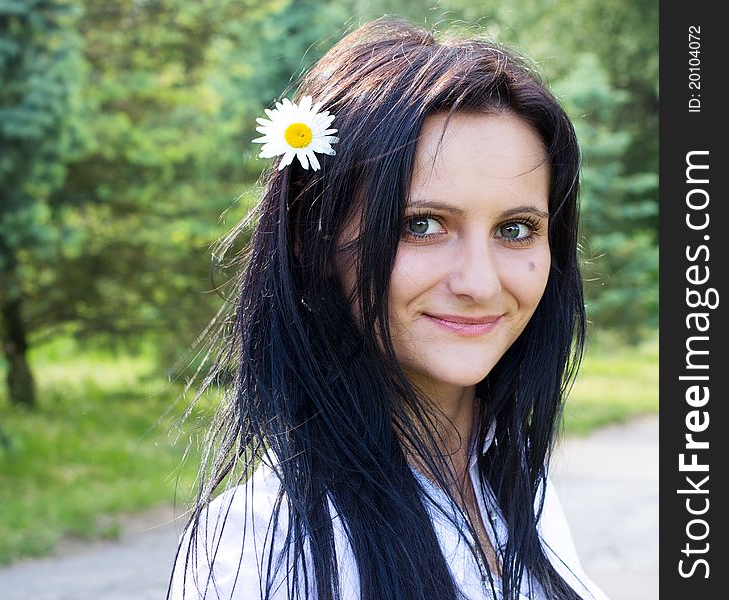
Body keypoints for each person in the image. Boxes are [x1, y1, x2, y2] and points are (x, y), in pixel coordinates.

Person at [168, 16, 610, 600]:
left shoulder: (512, 483)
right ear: (313, 236)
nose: (480, 282)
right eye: (421, 225)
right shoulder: (263, 548)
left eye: (516, 228)